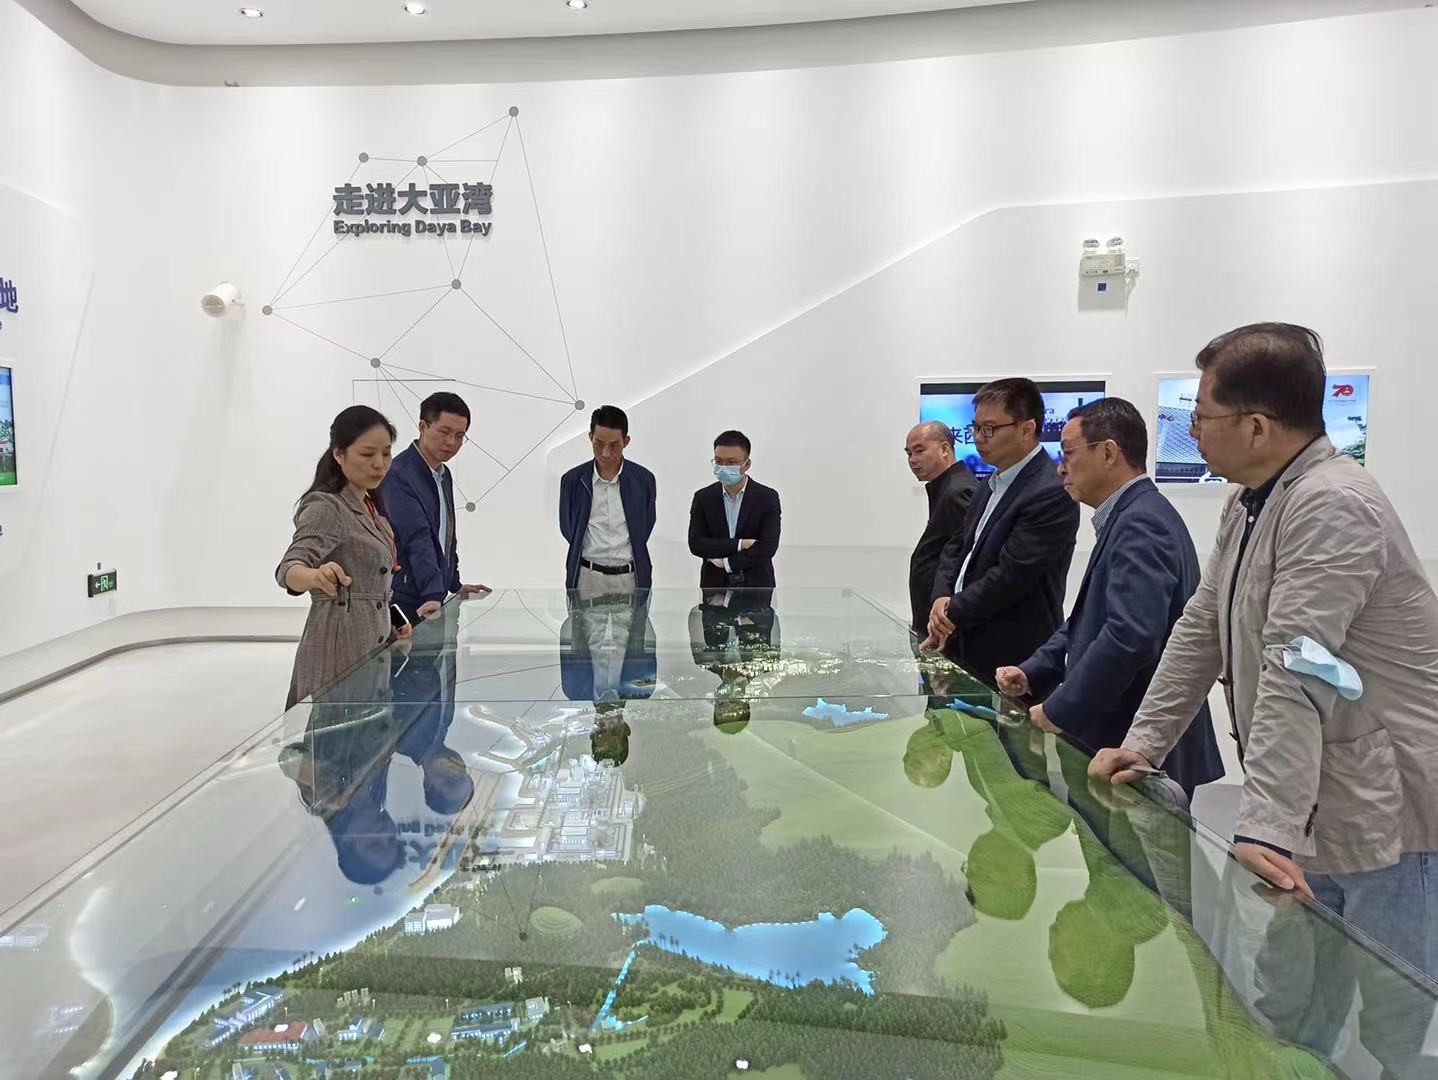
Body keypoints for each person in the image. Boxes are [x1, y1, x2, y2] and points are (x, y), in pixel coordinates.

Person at [1089, 324, 1438, 998]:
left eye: (1202, 416)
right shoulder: (1253, 502)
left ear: (1256, 427)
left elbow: (1299, 665)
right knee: (1294, 1003)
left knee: (1393, 1012)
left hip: (1386, 809)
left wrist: (1267, 828)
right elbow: (1201, 627)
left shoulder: (1332, 503)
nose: (1192, 431)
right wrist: (1145, 743)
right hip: (1314, 798)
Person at [995, 398, 1223, 798]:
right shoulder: (1131, 515)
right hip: (1120, 738)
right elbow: (1089, 618)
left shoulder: (1141, 523)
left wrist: (1058, 708)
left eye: (1068, 453)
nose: (1060, 467)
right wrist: (1034, 670)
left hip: (1129, 746)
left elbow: (1129, 636)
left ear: (1107, 453)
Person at [922, 378, 1080, 685]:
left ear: (1027, 428)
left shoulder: (1050, 491)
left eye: (990, 429)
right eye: (976, 428)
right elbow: (958, 546)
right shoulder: (990, 484)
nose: (978, 438)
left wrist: (950, 613)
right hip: (965, 641)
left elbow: (1010, 576)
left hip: (1013, 658)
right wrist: (941, 596)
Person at [276, 405, 412, 710]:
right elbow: (289, 568)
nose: (379, 464)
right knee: (337, 734)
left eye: (386, 453)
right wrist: (315, 576)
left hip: (372, 648)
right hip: (339, 654)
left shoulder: (371, 507)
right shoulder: (327, 506)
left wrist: (390, 619)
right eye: (367, 454)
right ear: (339, 454)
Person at [382, 391, 491, 624]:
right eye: (444, 432)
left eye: (459, 436)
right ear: (423, 427)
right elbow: (416, 537)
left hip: (432, 595)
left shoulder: (442, 473)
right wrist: (432, 593)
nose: (451, 442)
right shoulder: (398, 474)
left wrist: (454, 584)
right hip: (409, 598)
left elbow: (445, 536)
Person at [559, 405, 657, 600]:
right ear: (590, 437)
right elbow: (568, 528)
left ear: (626, 441)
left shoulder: (643, 480)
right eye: (599, 443)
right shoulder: (573, 480)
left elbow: (645, 526)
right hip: (587, 577)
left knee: (634, 620)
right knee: (582, 621)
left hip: (630, 577)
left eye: (614, 445)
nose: (605, 453)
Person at [905, 420, 977, 638]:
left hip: (945, 625)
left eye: (920, 450)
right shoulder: (947, 488)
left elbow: (963, 561)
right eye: (909, 453)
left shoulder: (958, 491)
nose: (913, 460)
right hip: (936, 622)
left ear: (945, 449)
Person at [687, 430, 782, 590]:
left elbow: (768, 546)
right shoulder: (703, 497)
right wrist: (740, 544)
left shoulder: (767, 497)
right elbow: (697, 544)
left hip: (756, 587)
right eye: (719, 461)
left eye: (731, 463)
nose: (724, 468)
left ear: (747, 464)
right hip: (714, 587)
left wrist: (727, 563)